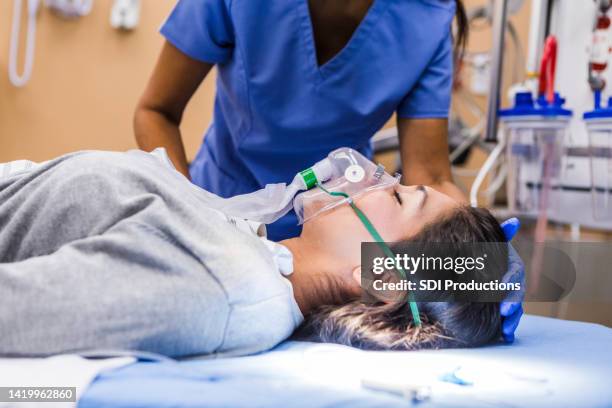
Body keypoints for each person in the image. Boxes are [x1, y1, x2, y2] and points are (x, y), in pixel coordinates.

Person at [0, 150, 507, 358]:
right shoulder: (249, 246)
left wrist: (476, 277)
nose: (376, 178)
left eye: (397, 196)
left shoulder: (224, 288)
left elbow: (16, 312)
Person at [134, 0, 469, 241]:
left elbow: (432, 178)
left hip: (337, 238)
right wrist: (193, 217)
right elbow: (157, 111)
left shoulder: (426, 15)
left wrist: (481, 272)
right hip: (219, 215)